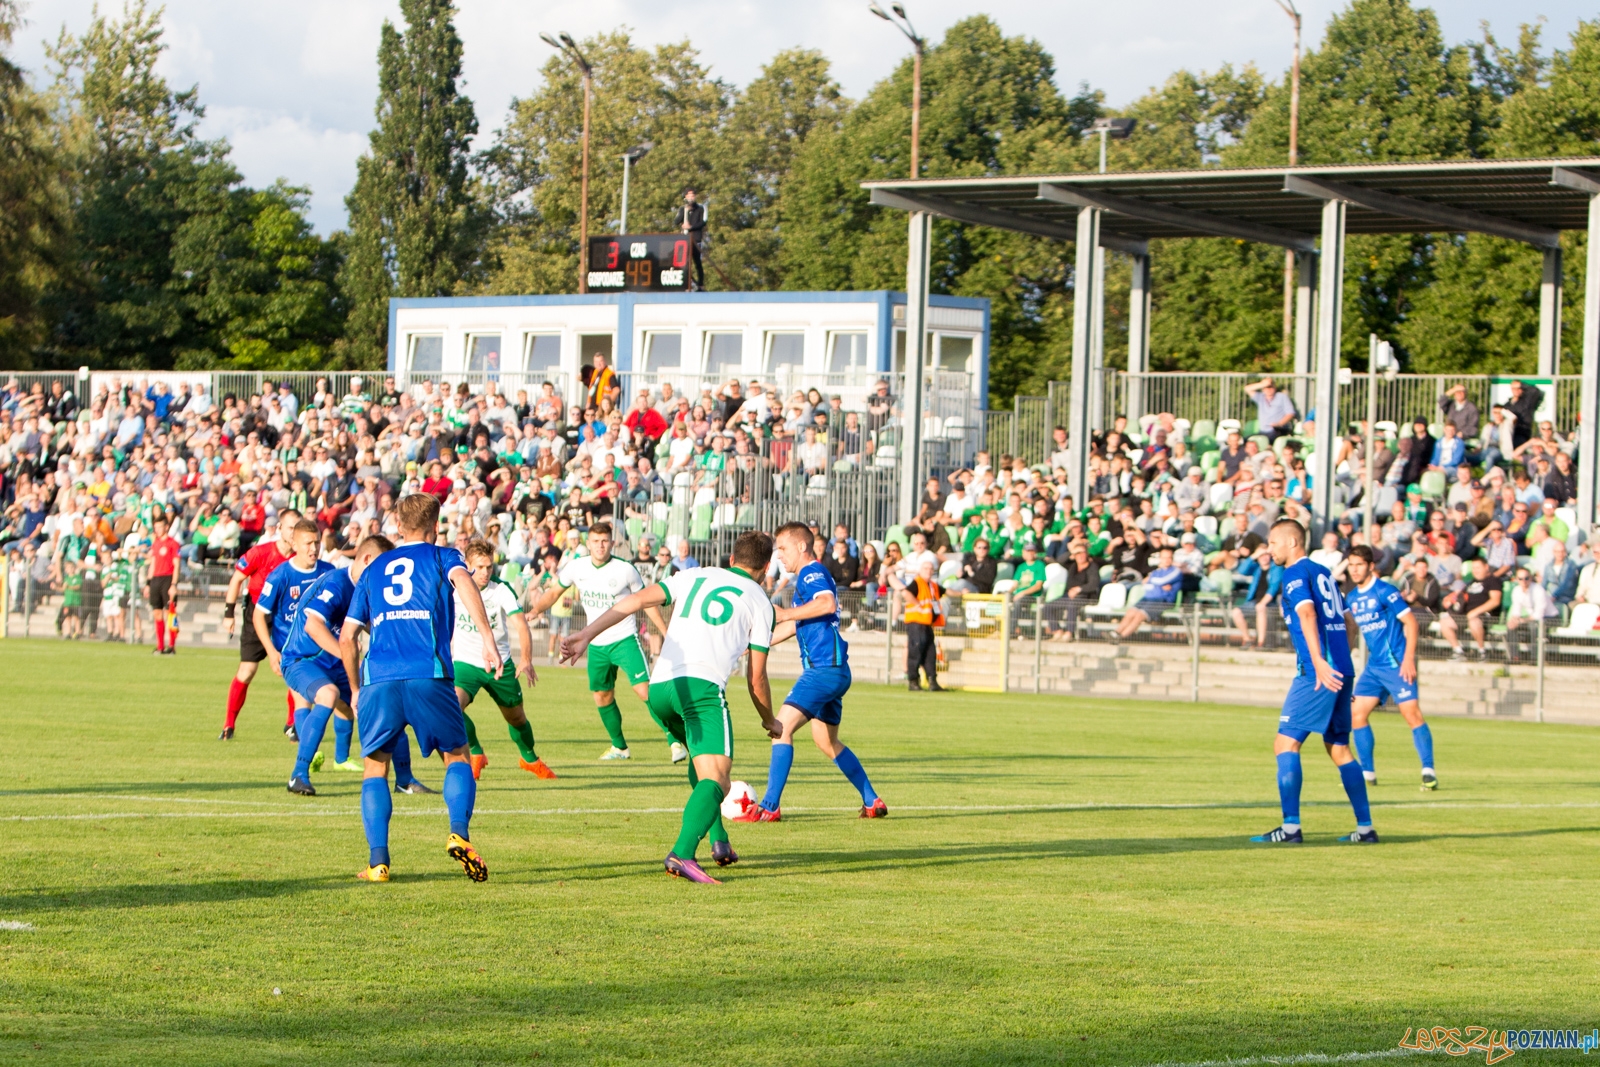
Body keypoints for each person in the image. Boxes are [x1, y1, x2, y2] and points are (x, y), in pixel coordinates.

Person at [560, 530, 782, 885]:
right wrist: (770, 720)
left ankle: (719, 840)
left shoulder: (694, 574)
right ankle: (682, 853)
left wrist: (586, 634)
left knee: (703, 764)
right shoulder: (760, 601)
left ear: (731, 559)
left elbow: (634, 600)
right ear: (767, 567)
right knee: (718, 779)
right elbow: (757, 678)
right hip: (701, 690)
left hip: (661, 687)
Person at [339, 493, 503, 884]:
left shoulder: (373, 568)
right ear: (435, 525)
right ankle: (458, 833)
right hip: (428, 673)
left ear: (398, 525)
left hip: (378, 678)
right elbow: (464, 582)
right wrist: (487, 638)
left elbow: (347, 637)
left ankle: (378, 863)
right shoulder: (443, 557)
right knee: (457, 756)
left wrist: (355, 688)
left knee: (375, 768)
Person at [735, 523, 886, 823]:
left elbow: (826, 604)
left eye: (783, 548)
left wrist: (785, 612)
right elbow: (795, 624)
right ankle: (872, 800)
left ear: (802, 546)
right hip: (835, 671)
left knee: (780, 729)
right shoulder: (808, 578)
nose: (779, 555)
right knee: (826, 742)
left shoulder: (811, 573)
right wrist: (754, 645)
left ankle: (769, 806)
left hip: (823, 670)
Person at [1250, 519, 1375, 845]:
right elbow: (1350, 622)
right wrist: (1341, 665)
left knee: (1285, 744)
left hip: (1317, 672)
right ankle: (1365, 829)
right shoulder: (1324, 573)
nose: (1269, 549)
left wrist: (1320, 662)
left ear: (1292, 542)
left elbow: (1307, 614)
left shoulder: (1295, 574)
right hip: (1341, 669)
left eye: (1273, 543)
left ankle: (1290, 828)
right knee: (1339, 748)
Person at [526, 522, 679, 763]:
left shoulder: (625, 569)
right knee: (602, 695)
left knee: (644, 690)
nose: (600, 545)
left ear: (612, 543)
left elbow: (646, 601)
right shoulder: (576, 567)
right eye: (596, 541)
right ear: (588, 543)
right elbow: (554, 593)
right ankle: (620, 747)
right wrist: (535, 611)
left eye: (605, 541)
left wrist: (665, 631)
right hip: (596, 643)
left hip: (625, 638)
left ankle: (675, 739)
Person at [276, 535, 419, 790]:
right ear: (367, 559)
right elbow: (313, 626)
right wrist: (347, 654)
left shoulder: (367, 589)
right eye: (381, 565)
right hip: (302, 659)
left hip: (336, 662)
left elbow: (373, 626)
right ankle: (298, 775)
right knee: (328, 694)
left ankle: (405, 780)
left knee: (387, 700)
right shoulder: (337, 583)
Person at [452, 539, 555, 782]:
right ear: (467, 565)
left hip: (500, 665)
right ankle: (476, 752)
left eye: (489, 566)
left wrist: (526, 659)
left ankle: (529, 759)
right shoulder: (454, 588)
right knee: (452, 709)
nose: (486, 572)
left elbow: (521, 625)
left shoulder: (500, 590)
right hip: (465, 663)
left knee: (516, 718)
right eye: (480, 567)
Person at [1343, 546, 1437, 791]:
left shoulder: (1385, 591)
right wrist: (1344, 657)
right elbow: (1352, 628)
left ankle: (1428, 771)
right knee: (1356, 714)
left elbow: (1411, 623)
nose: (1354, 569)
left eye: (1359, 565)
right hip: (1375, 667)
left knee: (1411, 715)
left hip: (1397, 663)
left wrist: (1408, 659)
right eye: (1351, 565)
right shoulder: (1351, 598)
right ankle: (1367, 773)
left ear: (1370, 566)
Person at [251, 520, 338, 784]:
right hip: (296, 655)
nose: (313, 548)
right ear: (294, 544)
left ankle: (341, 757)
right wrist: (271, 652)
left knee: (349, 704)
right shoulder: (280, 576)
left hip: (327, 650)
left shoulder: (328, 571)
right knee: (306, 700)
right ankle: (305, 762)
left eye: (316, 542)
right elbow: (258, 615)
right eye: (308, 543)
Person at [219, 509, 302, 740]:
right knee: (247, 671)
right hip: (256, 614)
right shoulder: (261, 552)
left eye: (297, 528)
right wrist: (229, 613)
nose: (294, 533)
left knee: (293, 671)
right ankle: (228, 725)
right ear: (280, 529)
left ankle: (292, 724)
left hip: (286, 618)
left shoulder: (300, 559)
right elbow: (237, 579)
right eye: (290, 528)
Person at [894, 559, 945, 692]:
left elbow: (946, 591)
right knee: (915, 651)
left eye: (931, 569)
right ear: (920, 571)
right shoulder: (917, 582)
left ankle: (932, 681)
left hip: (927, 623)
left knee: (930, 652)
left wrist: (961, 592)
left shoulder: (932, 585)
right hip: (916, 622)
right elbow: (905, 593)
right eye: (926, 568)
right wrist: (917, 603)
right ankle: (913, 681)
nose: (929, 571)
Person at [1440, 556, 1503, 661]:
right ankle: (1458, 651)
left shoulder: (1493, 581)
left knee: (1474, 621)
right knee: (1445, 622)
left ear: (1486, 567)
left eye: (1478, 568)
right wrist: (1451, 599)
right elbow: (1461, 596)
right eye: (1473, 568)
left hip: (1483, 615)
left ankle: (1482, 651)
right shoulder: (1471, 582)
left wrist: (1475, 612)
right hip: (1465, 613)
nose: (1475, 571)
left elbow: (1495, 601)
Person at [144, 515, 181, 655]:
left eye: (160, 527)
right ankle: (160, 646)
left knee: (170, 613)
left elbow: (177, 565)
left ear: (166, 527)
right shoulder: (156, 543)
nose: (158, 530)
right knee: (157, 613)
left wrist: (174, 584)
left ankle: (171, 646)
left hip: (168, 579)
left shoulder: (173, 543)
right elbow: (153, 564)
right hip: (156, 580)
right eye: (156, 527)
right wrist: (148, 583)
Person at [1504, 566, 1556, 665]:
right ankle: (1514, 657)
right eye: (1520, 579)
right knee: (1511, 626)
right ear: (1516, 579)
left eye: (1526, 578)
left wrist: (1521, 620)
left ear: (1531, 578)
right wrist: (1514, 621)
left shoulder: (1538, 590)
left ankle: (1535, 659)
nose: (1523, 581)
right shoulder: (1516, 590)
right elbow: (1516, 611)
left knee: (1534, 627)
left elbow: (1539, 614)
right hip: (1532, 617)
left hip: (1549, 617)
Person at [675, 189, 707, 290]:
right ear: (685, 197)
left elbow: (703, 222)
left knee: (697, 262)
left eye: (692, 195)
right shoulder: (682, 209)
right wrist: (684, 212)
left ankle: (700, 284)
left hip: (696, 239)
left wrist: (691, 227)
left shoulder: (701, 208)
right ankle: (685, 284)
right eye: (689, 196)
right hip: (685, 240)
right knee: (684, 263)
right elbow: (676, 221)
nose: (691, 198)